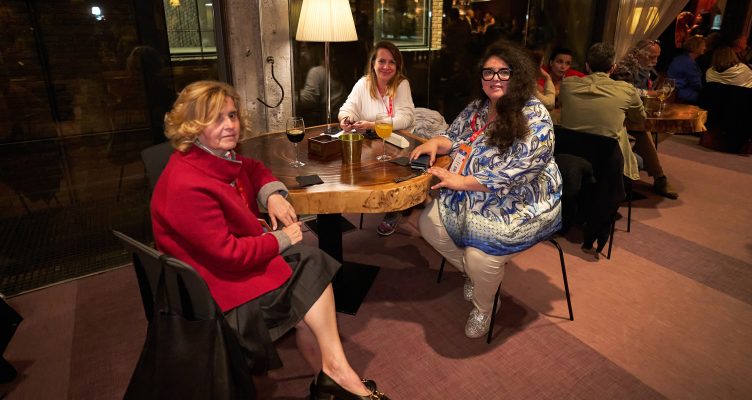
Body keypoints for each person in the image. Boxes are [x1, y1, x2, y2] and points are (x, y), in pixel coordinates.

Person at [152, 81, 389, 400]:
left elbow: (253, 169)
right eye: (217, 118)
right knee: (310, 268)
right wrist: (281, 239)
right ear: (193, 125)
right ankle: (334, 374)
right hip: (215, 294)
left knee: (310, 273)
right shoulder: (187, 184)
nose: (230, 124)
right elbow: (229, 255)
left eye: (232, 115)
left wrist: (273, 194)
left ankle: (331, 375)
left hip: (223, 269)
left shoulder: (214, 156)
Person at [410, 41, 562, 338]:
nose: (495, 78)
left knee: (481, 257)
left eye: (504, 72)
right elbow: (455, 137)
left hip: (524, 200)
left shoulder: (535, 115)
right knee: (428, 224)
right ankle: (476, 277)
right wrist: (436, 142)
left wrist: (461, 182)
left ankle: (484, 306)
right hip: (473, 192)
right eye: (488, 72)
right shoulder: (478, 107)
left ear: (517, 76)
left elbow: (519, 172)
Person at [559, 42, 646, 256]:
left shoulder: (567, 85)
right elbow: (640, 118)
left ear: (587, 66)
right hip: (606, 163)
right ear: (613, 67)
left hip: (570, 157)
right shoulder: (627, 90)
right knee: (637, 159)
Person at [338, 41, 415, 236]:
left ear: (397, 66)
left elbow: (405, 119)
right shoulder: (363, 83)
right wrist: (345, 119)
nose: (386, 66)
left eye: (392, 62)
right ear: (373, 63)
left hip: (399, 143)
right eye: (382, 61)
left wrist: (374, 125)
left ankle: (394, 210)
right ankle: (368, 200)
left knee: (390, 168)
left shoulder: (401, 84)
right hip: (371, 143)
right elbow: (347, 108)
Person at [612, 39, 679, 199]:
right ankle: (659, 177)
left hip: (637, 114)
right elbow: (625, 91)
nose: (655, 61)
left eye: (657, 57)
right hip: (620, 116)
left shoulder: (649, 71)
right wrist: (649, 94)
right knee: (643, 131)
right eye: (651, 57)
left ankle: (639, 155)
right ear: (638, 55)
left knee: (669, 128)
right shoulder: (624, 70)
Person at [666, 35, 706, 104]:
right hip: (681, 94)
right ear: (695, 47)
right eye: (703, 46)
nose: (705, 48)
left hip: (674, 91)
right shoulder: (689, 62)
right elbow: (696, 84)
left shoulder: (681, 58)